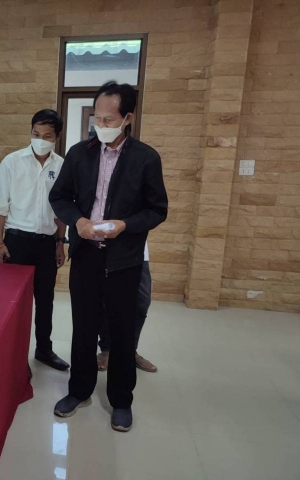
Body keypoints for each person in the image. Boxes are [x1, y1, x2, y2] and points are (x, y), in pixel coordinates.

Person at [49, 82, 168, 432]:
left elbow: (157, 210)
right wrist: (78, 221)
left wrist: (125, 225)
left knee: (121, 331)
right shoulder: (79, 153)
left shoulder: (146, 158)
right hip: (86, 254)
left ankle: (121, 400)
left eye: (109, 119)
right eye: (97, 118)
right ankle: (79, 390)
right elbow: (60, 198)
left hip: (124, 259)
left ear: (127, 118)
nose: (101, 125)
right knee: (83, 326)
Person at [0, 109, 70, 371]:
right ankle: (13, 356)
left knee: (45, 301)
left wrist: (61, 242)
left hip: (47, 243)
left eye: (47, 136)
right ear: (31, 131)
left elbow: (62, 209)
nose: (40, 140)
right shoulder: (12, 162)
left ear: (57, 137)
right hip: (16, 242)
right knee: (15, 303)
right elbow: (0, 206)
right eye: (36, 134)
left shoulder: (62, 166)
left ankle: (44, 350)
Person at [97, 243, 158, 373]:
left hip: (138, 253)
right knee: (107, 302)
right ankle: (106, 349)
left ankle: (130, 351)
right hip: (108, 253)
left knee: (141, 303)